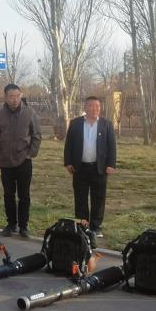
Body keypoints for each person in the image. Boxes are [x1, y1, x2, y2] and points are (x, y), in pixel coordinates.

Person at [63, 96, 117, 238]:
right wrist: (68, 162)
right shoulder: (75, 124)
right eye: (91, 106)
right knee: (80, 198)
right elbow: (69, 144)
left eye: (97, 106)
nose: (95, 109)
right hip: (79, 168)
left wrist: (111, 164)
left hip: (99, 168)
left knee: (98, 199)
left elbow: (112, 146)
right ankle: (83, 226)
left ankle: (96, 227)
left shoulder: (106, 124)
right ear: (85, 107)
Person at [0, 84, 41, 238]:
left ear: (21, 95)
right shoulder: (0, 114)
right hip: (5, 161)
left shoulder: (29, 112)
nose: (14, 99)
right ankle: (11, 224)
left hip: (23, 161)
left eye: (17, 96)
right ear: (5, 97)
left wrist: (30, 154)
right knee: (8, 195)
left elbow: (36, 136)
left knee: (24, 195)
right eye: (11, 96)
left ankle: (23, 226)